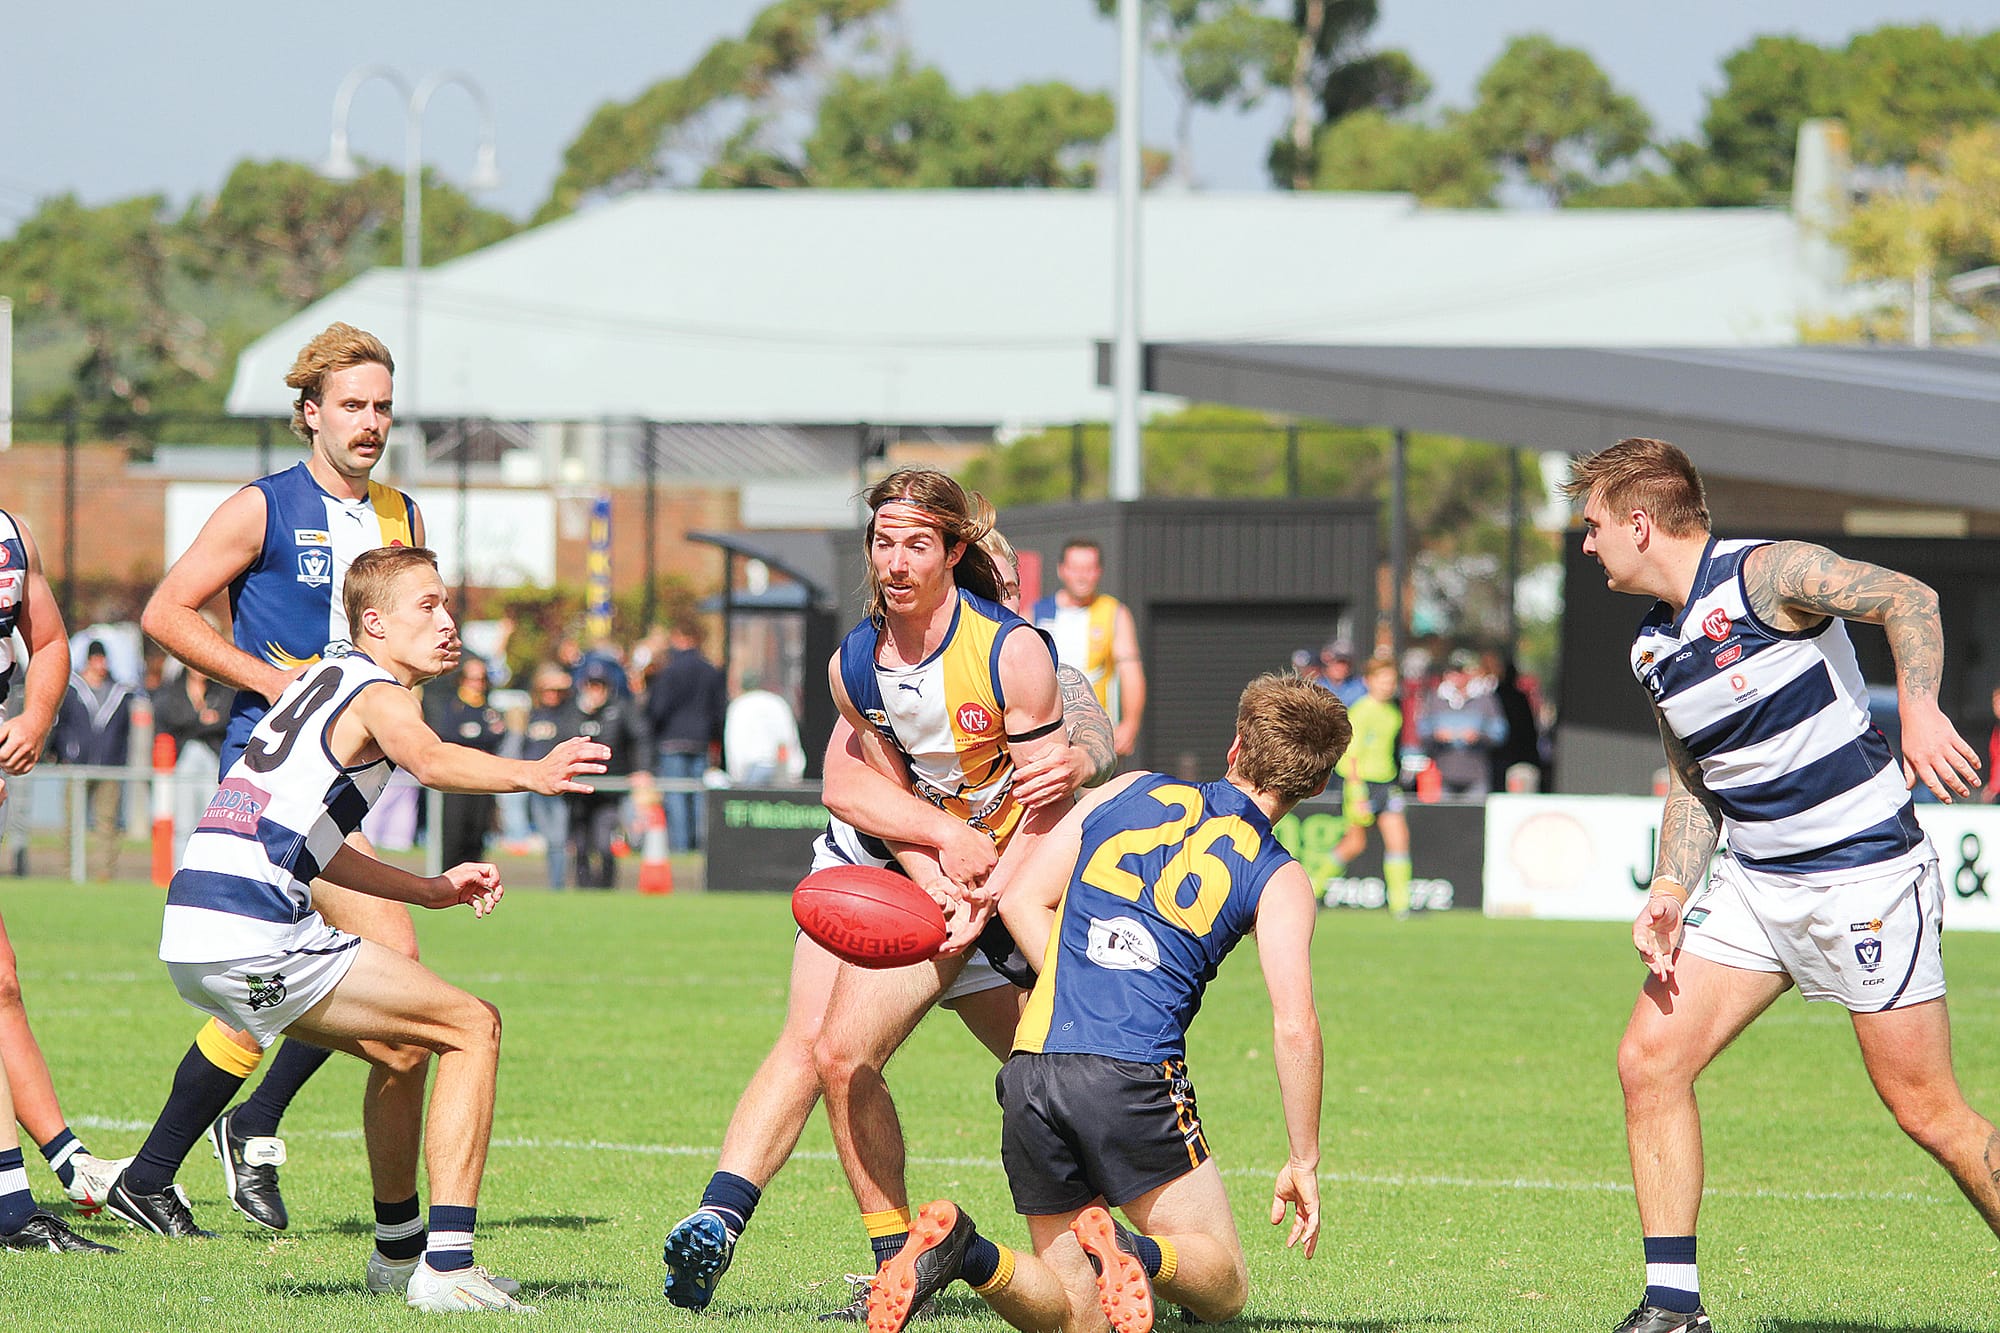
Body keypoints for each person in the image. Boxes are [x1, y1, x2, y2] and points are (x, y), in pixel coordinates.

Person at [1566, 436, 1995, 1333]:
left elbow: (1908, 597)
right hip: (1757, 887)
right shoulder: (1652, 647)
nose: (1588, 544)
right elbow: (1693, 775)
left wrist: (1918, 706)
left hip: (1864, 873)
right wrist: (1671, 888)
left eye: (1594, 525)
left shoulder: (1767, 575)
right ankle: (1673, 1309)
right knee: (1649, 1060)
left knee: (1927, 1110)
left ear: (1640, 522)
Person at [109, 548, 606, 1310]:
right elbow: (430, 760)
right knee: (474, 1025)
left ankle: (398, 1253)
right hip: (250, 928)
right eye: (428, 607)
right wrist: (532, 771)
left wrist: (429, 889)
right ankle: (448, 1268)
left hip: (199, 921)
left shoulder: (322, 679)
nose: (448, 624)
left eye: (448, 607)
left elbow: (320, 849)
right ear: (373, 622)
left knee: (403, 1045)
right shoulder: (379, 692)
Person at [660, 497, 1114, 1319]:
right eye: (995, 578)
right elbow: (851, 783)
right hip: (891, 875)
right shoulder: (876, 659)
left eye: (1010, 585)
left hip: (989, 889)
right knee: (822, 1047)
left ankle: (1135, 1250)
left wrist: (1077, 759)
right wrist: (938, 859)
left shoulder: (1020, 654)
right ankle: (752, 1221)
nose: (1004, 594)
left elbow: (1090, 723)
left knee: (1055, 1076)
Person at [877, 672, 1347, 1333]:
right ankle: (1135, 1249)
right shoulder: (1280, 874)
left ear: (1236, 746)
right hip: (1131, 1066)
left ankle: (968, 1251)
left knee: (1080, 1316)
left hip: (1033, 1059)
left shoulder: (1134, 786)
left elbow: (1018, 899)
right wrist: (1303, 1160)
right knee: (1227, 1285)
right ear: (1318, 785)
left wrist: (1079, 984)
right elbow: (1295, 1025)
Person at [136, 321, 427, 1234]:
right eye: (353, 405)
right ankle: (251, 1131)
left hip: (349, 778)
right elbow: (164, 610)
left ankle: (172, 1162)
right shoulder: (261, 507)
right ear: (310, 415)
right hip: (269, 775)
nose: (371, 421)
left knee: (276, 985)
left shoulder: (402, 515)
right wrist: (270, 679)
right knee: (388, 968)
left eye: (382, 406)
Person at [0, 511, 132, 1219]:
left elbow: (48, 642)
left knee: (2, 982)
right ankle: (14, 1200)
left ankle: (65, 1162)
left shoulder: (12, 537)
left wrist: (35, 717)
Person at [1032, 538, 1148, 757]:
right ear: (1061, 570)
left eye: (1088, 569)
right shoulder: (1037, 613)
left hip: (1097, 736)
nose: (1082, 576)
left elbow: (1130, 672)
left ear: (1099, 571)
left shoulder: (1114, 613)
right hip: (1048, 734)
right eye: (1075, 568)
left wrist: (1131, 724)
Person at [1331, 657, 1413, 917]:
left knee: (1399, 839)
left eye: (1391, 680)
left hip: (1387, 782)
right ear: (1369, 681)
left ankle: (1401, 906)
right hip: (1362, 784)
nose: (1387, 686)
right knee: (1354, 844)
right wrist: (1356, 792)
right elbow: (1350, 755)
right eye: (1382, 680)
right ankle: (1313, 887)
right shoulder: (1361, 711)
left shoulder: (1393, 711)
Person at [52, 640, 138, 881]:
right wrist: (63, 753)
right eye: (97, 659)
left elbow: (125, 731)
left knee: (107, 823)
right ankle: (71, 872)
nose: (101, 664)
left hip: (109, 766)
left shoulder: (119, 692)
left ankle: (104, 873)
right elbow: (61, 724)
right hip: (77, 765)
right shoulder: (73, 689)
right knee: (72, 823)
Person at [569, 661, 651, 889]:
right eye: (591, 685)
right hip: (578, 789)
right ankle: (583, 889)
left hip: (610, 788)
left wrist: (641, 770)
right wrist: (584, 714)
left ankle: (606, 888)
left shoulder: (621, 709)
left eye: (600, 685)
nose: (595, 690)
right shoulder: (573, 711)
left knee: (605, 842)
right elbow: (562, 737)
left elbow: (640, 737)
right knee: (581, 844)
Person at [645, 622, 726, 851]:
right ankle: (701, 848)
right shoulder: (710, 671)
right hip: (700, 741)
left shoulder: (670, 671)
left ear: (679, 636)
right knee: (699, 796)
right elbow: (718, 710)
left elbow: (657, 708)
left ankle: (681, 847)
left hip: (672, 740)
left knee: (676, 796)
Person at [425, 657, 508, 867]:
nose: (477, 684)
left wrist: (475, 734)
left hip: (484, 779)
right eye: (472, 679)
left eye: (481, 679)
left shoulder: (489, 709)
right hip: (455, 780)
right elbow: (449, 735)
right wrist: (478, 734)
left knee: (477, 832)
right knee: (454, 832)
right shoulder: (451, 706)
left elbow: (496, 736)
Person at [152, 662, 229, 861]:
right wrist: (202, 720)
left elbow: (224, 719)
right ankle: (180, 872)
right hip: (184, 757)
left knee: (212, 823)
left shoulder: (220, 690)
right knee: (183, 823)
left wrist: (195, 723)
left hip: (212, 757)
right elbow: (173, 718)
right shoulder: (176, 690)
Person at [522, 666, 581, 889]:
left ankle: (558, 885)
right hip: (534, 783)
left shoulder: (568, 714)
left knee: (558, 838)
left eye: (558, 690)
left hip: (560, 784)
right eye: (548, 690)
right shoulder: (533, 714)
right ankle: (555, 883)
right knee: (549, 838)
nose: (552, 694)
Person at [1416, 649, 1503, 799]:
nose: (1454, 676)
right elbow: (1422, 731)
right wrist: (1436, 735)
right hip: (1443, 774)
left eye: (1459, 671)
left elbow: (1499, 733)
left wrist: (1479, 736)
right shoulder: (1435, 699)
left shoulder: (1486, 699)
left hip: (1476, 776)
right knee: (1443, 820)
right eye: (1451, 671)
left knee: (1474, 820)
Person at [723, 673, 804, 785]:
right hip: (778, 765)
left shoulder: (739, 705)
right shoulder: (777, 702)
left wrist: (736, 776)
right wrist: (795, 770)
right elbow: (788, 737)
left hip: (749, 768)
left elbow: (734, 742)